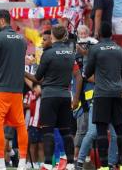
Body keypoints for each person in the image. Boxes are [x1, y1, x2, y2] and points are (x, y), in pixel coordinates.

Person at [30, 25, 79, 170]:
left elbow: (38, 78)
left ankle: (47, 164)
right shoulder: (71, 53)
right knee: (66, 131)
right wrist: (75, 98)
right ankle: (70, 164)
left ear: (52, 36)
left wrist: (22, 72)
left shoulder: (48, 53)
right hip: (65, 95)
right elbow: (79, 76)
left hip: (49, 96)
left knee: (48, 130)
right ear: (65, 36)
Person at [84, 21, 122, 170]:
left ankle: (103, 167)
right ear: (111, 34)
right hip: (117, 94)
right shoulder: (118, 49)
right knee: (120, 129)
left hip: (102, 94)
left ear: (98, 34)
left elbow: (87, 73)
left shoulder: (96, 49)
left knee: (102, 130)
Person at [0, 9, 29, 170]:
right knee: (20, 125)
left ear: (3, 21)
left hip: (0, 89)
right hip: (17, 90)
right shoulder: (22, 39)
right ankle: (23, 163)